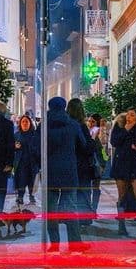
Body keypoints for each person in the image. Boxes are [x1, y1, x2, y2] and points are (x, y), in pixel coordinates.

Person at [38, 96, 90, 253]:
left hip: (50, 173)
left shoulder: (44, 126)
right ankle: (74, 243)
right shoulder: (73, 125)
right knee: (71, 208)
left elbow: (36, 148)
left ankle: (54, 244)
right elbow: (83, 146)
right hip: (69, 172)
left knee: (51, 211)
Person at [110, 107, 136, 235]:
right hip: (121, 164)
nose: (129, 117)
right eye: (128, 114)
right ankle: (122, 226)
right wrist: (126, 129)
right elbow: (114, 142)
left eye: (132, 115)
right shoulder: (119, 126)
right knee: (122, 196)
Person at [67, 99, 96, 227]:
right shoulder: (81, 126)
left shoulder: (67, 125)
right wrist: (93, 141)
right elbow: (87, 147)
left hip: (70, 164)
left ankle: (74, 218)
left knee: (72, 193)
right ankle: (84, 218)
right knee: (84, 191)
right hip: (82, 165)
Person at [13, 115, 38, 210]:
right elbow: (11, 147)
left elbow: (38, 147)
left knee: (32, 180)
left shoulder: (34, 134)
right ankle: (20, 197)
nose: (25, 124)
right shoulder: (17, 135)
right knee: (21, 180)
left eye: (27, 122)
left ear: (30, 123)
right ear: (20, 123)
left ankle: (32, 196)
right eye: (23, 122)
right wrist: (15, 146)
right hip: (21, 162)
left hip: (32, 161)